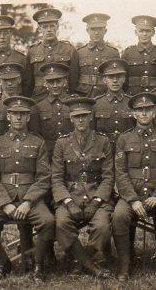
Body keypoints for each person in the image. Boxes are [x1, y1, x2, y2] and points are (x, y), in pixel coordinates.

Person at [0, 96, 54, 281]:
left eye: (23, 114)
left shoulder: (38, 142)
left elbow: (44, 177)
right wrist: (5, 204)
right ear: (8, 117)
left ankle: (38, 265)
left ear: (28, 118)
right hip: (4, 197)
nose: (18, 118)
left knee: (48, 222)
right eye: (14, 114)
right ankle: (3, 262)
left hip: (30, 198)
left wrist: (28, 201)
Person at [112, 92, 156, 281]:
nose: (144, 114)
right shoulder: (124, 139)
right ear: (133, 114)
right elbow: (121, 173)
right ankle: (125, 263)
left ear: (154, 112)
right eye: (139, 110)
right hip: (132, 196)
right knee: (119, 215)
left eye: (148, 110)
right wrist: (132, 200)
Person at [51, 97, 113, 278]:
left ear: (91, 116)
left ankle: (80, 260)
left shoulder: (103, 141)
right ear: (71, 118)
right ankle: (90, 265)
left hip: (97, 196)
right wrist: (69, 203)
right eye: (76, 116)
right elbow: (56, 178)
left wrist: (97, 201)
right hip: (70, 195)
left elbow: (108, 177)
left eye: (84, 116)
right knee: (62, 223)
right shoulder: (61, 143)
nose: (80, 120)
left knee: (102, 227)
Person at [27, 8, 79, 101]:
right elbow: (28, 81)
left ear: (57, 26)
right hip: (39, 97)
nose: (49, 30)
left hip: (63, 97)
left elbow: (74, 79)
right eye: (45, 27)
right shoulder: (32, 51)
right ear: (40, 28)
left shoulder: (69, 49)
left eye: (52, 26)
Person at [29, 62, 74, 160]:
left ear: (65, 82)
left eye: (58, 81)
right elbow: (36, 136)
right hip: (48, 155)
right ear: (45, 83)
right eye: (50, 82)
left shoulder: (73, 104)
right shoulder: (38, 107)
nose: (54, 85)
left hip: (72, 153)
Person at [93, 58, 136, 147]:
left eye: (119, 76)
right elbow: (92, 132)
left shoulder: (132, 102)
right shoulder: (96, 104)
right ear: (104, 80)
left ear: (124, 79)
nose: (115, 80)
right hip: (104, 149)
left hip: (127, 147)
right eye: (111, 77)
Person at [77, 13, 120, 98]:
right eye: (93, 29)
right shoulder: (79, 52)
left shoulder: (113, 52)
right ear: (87, 30)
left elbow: (118, 77)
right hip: (83, 95)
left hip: (105, 95)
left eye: (100, 29)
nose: (96, 33)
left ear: (105, 31)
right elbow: (74, 79)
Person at [121, 15, 156, 96]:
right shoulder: (128, 53)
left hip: (155, 96)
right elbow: (122, 79)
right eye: (141, 31)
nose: (144, 34)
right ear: (136, 32)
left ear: (153, 32)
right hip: (133, 96)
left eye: (148, 31)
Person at [0, 62, 25, 137]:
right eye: (5, 80)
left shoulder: (26, 104)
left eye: (13, 79)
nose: (9, 84)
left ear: (19, 79)